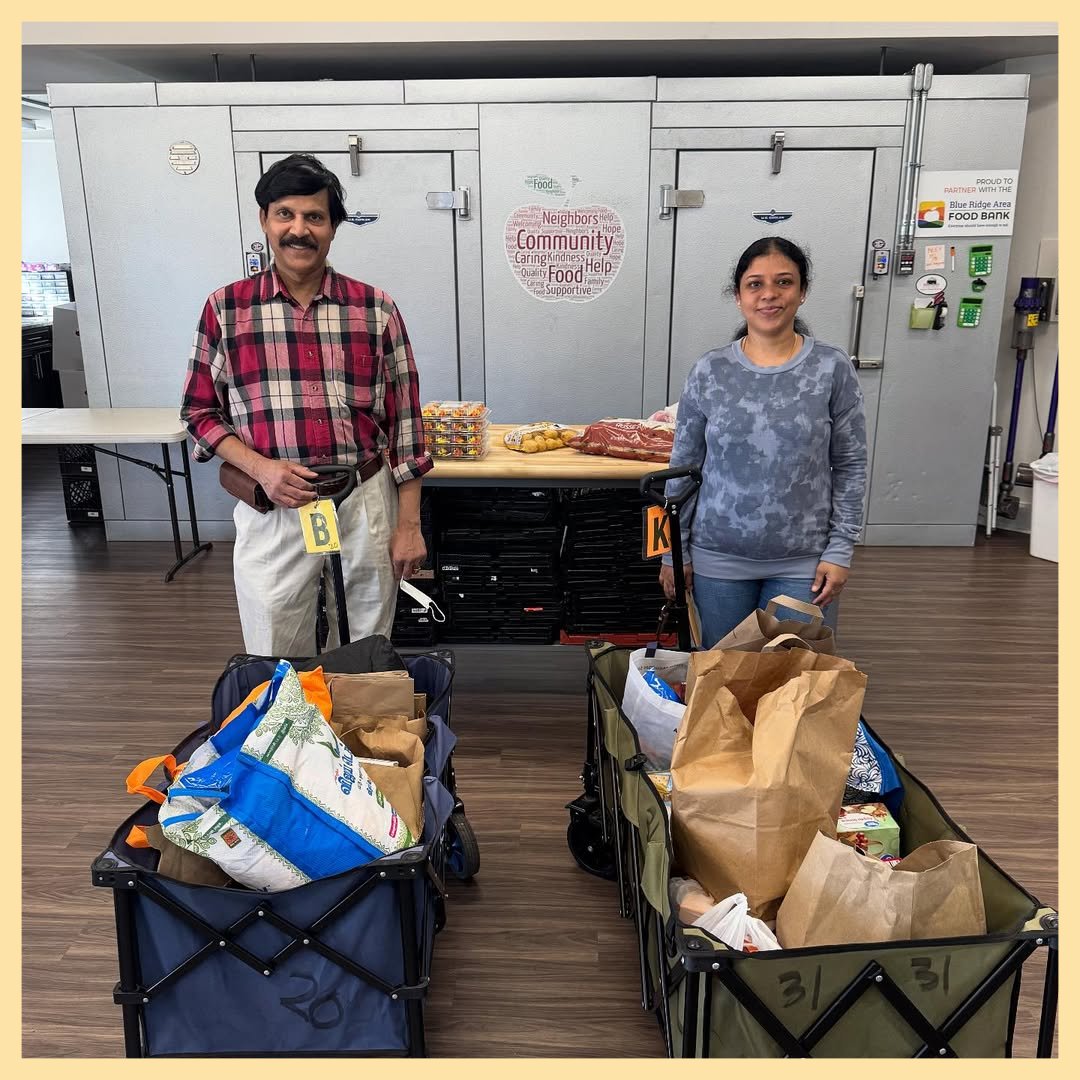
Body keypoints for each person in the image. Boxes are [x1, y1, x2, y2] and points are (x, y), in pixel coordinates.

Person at [181, 153, 431, 657]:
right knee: (274, 643)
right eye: (285, 215)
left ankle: (358, 733)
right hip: (276, 504)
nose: (299, 230)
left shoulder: (374, 308)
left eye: (315, 217)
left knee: (367, 643)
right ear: (264, 221)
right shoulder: (226, 309)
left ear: (334, 227)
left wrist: (409, 526)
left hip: (364, 499)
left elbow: (405, 422)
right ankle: (291, 733)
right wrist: (262, 469)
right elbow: (199, 413)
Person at [659, 236, 867, 648]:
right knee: (724, 679)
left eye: (784, 282)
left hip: (804, 562)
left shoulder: (831, 368)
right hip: (716, 558)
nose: (769, 294)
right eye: (755, 284)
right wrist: (670, 552)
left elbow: (851, 464)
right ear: (738, 296)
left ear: (802, 292)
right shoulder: (710, 371)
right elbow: (681, 468)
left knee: (791, 684)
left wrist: (840, 549)